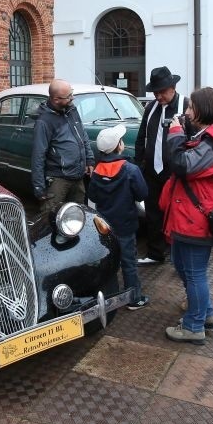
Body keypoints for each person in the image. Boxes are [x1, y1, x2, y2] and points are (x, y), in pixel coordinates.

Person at [159, 86, 213, 345]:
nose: (185, 112)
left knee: (195, 272)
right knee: (181, 263)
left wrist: (174, 134)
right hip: (188, 215)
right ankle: (205, 313)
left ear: (202, 109)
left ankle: (194, 325)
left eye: (189, 108)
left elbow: (183, 165)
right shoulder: (208, 135)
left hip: (197, 217)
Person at [87, 124, 149, 310]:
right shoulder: (130, 169)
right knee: (128, 262)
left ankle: (111, 298)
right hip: (126, 225)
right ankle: (133, 298)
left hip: (104, 227)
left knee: (109, 261)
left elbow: (93, 197)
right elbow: (142, 193)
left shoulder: (97, 172)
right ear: (119, 146)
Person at [134, 66, 192, 265]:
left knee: (178, 214)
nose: (158, 96)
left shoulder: (187, 106)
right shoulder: (150, 108)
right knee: (153, 213)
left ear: (173, 87)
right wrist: (139, 164)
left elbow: (194, 139)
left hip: (175, 172)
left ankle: (181, 258)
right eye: (155, 92)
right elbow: (142, 137)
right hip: (152, 171)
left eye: (162, 91)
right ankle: (155, 254)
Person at [31, 79, 95, 220]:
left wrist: (89, 159)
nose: (72, 98)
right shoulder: (44, 122)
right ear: (56, 99)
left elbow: (82, 135)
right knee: (51, 219)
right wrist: (39, 188)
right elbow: (38, 156)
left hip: (78, 177)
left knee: (78, 217)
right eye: (68, 96)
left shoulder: (72, 110)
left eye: (71, 94)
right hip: (57, 179)